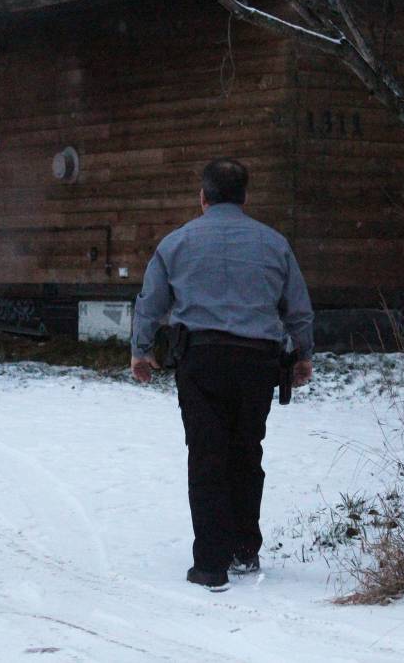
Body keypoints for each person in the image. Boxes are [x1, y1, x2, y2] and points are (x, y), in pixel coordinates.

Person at [130, 158, 313, 592]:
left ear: (203, 197)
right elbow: (298, 307)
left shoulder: (176, 243)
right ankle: (244, 549)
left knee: (206, 455)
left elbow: (150, 302)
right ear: (245, 196)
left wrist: (141, 350)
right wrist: (303, 354)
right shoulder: (274, 244)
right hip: (257, 362)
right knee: (247, 452)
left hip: (202, 360)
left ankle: (211, 564)